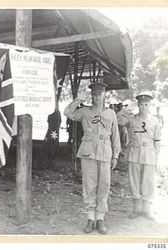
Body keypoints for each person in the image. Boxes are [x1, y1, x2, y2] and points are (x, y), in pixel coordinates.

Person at [64, 82, 120, 234]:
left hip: (105, 152)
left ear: (104, 95)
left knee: (104, 185)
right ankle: (90, 218)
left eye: (99, 94)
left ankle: (100, 219)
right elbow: (68, 112)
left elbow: (115, 136)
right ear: (92, 95)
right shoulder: (84, 111)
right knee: (89, 185)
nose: (97, 97)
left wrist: (115, 155)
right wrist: (78, 100)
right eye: (94, 94)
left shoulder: (111, 113)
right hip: (88, 152)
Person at [117, 92, 161, 220]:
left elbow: (157, 140)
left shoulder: (155, 121)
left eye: (146, 104)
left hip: (149, 153)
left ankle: (146, 210)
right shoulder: (131, 119)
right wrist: (128, 107)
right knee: (134, 180)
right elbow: (119, 119)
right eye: (141, 105)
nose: (143, 107)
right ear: (138, 105)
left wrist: (156, 157)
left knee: (148, 181)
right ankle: (136, 209)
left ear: (150, 105)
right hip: (135, 152)